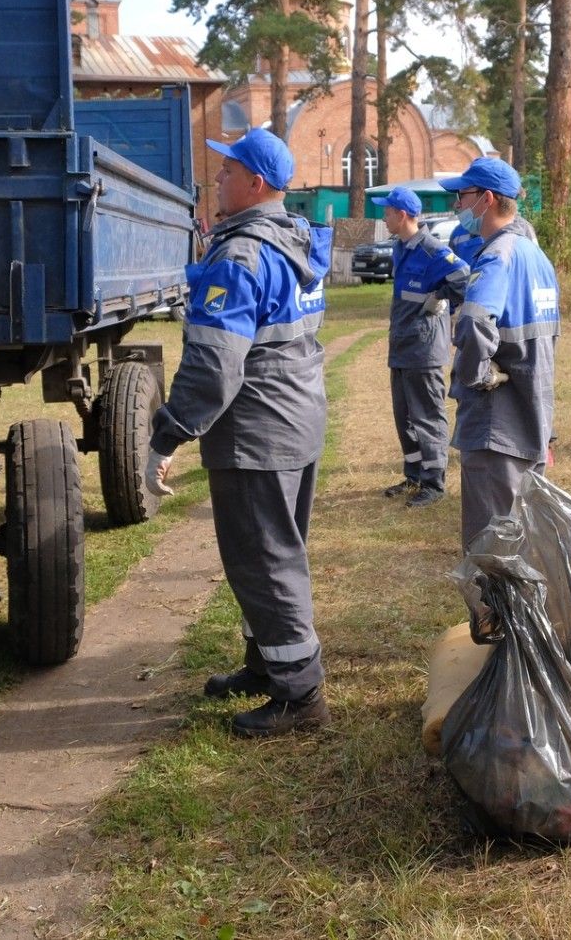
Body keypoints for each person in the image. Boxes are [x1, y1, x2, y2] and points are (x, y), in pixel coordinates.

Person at [144, 127, 335, 736]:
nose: (216, 179)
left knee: (266, 560)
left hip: (259, 434)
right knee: (269, 555)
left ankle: (301, 697)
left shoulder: (240, 256)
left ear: (255, 184)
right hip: (296, 420)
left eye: (227, 171)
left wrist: (168, 435)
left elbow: (213, 367)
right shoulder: (293, 240)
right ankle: (267, 666)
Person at [442, 157, 560, 549]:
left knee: (492, 545)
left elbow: (475, 321)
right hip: (532, 417)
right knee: (524, 537)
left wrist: (475, 376)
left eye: (462, 196)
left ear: (487, 199)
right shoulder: (536, 256)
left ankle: (497, 613)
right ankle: (524, 611)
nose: (458, 206)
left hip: (497, 427)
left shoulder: (498, 255)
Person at [379, 185, 471, 506]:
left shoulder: (431, 251)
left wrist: (441, 297)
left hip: (424, 349)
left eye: (387, 212)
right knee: (403, 416)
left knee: (427, 417)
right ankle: (414, 474)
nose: (384, 217)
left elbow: (465, 276)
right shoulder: (401, 248)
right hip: (401, 347)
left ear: (402, 215)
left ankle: (434, 483)